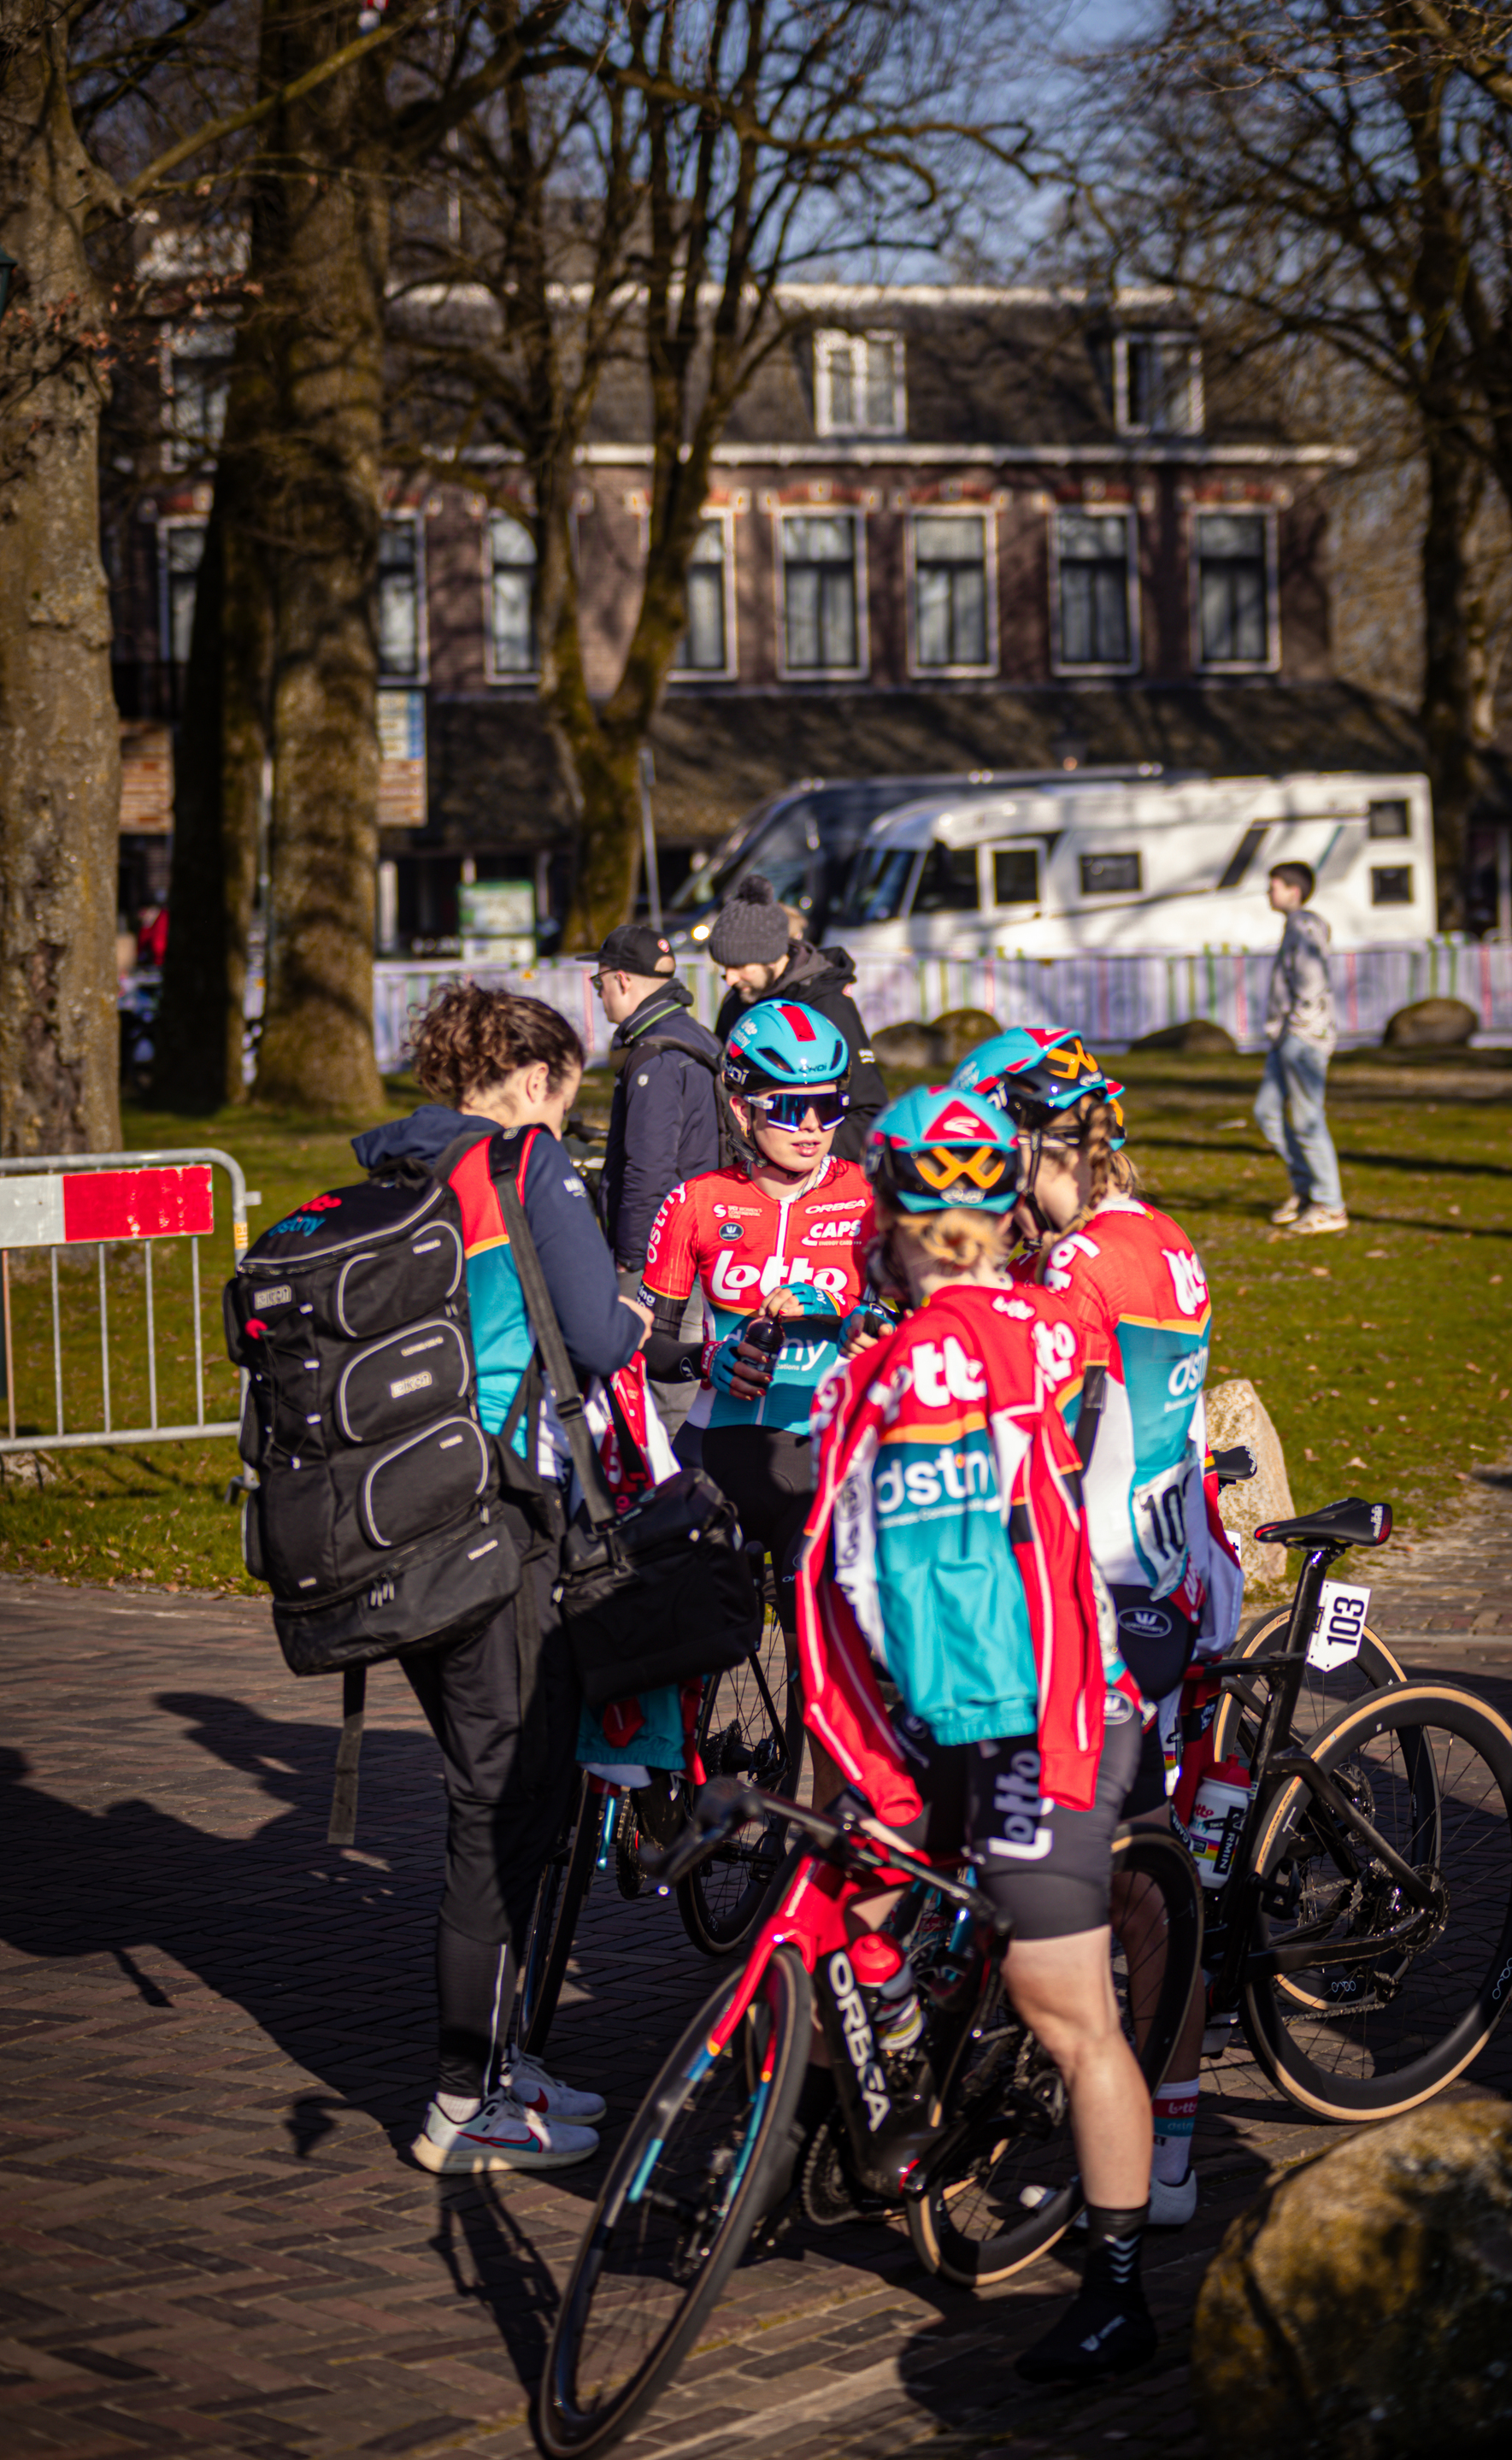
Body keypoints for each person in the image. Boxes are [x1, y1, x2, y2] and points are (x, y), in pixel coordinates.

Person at [798, 1086, 1162, 2388]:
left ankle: (1121, 2294)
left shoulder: (894, 1367)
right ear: (1005, 1213)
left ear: (888, 1222)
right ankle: (884, 2086)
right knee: (867, 1894)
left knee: (1062, 2011)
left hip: (1045, 1722)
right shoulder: (1062, 1320)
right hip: (989, 1697)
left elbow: (836, 1538)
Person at [355, 984, 650, 2177]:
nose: (569, 1117)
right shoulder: (526, 1163)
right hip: (503, 1524)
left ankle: (499, 2068)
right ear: (532, 1077)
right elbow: (601, 1333)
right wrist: (635, 1308)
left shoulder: (396, 1171)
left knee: (515, 1796)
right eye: (569, 1094)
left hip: (402, 1522)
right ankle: (459, 2096)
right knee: (498, 1808)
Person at [952, 1027, 1243, 2226]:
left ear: (1036, 1155)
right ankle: (1155, 2132)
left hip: (1109, 1602)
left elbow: (1022, 1429)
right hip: (1165, 1573)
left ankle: (1158, 2152)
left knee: (1132, 1887)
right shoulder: (1157, 1234)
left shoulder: (1071, 1269)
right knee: (1140, 1869)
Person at [639, 1001, 872, 1645]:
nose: (812, 1128)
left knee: (829, 1666)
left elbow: (917, 1319)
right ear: (741, 1108)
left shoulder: (869, 1197)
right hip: (717, 1450)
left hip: (825, 1453)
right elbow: (645, 1341)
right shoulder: (697, 1201)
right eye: (789, 1108)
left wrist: (844, 1313)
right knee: (677, 1646)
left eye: (828, 1107)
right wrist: (705, 1360)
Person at [708, 872, 888, 1163]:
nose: (729, 978)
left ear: (771, 954)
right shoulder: (740, 998)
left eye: (740, 966)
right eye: (724, 968)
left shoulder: (828, 1004)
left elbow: (868, 1109)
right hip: (746, 1174)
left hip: (811, 1177)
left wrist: (807, 1166)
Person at [592, 924, 722, 1283]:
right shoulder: (699, 1036)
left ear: (622, 980)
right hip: (706, 1231)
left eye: (597, 982)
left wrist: (632, 1256)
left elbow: (648, 1167)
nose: (598, 993)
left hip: (666, 1253)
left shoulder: (657, 1058)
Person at [1254, 861, 1346, 1239]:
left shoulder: (1305, 924)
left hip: (1302, 1039)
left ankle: (1330, 1205)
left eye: (1273, 885)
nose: (1268, 892)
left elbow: (1311, 981)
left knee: (1308, 1120)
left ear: (1293, 890)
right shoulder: (1295, 924)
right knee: (1267, 1111)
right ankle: (1306, 1188)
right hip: (1288, 1038)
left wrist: (1298, 1029)